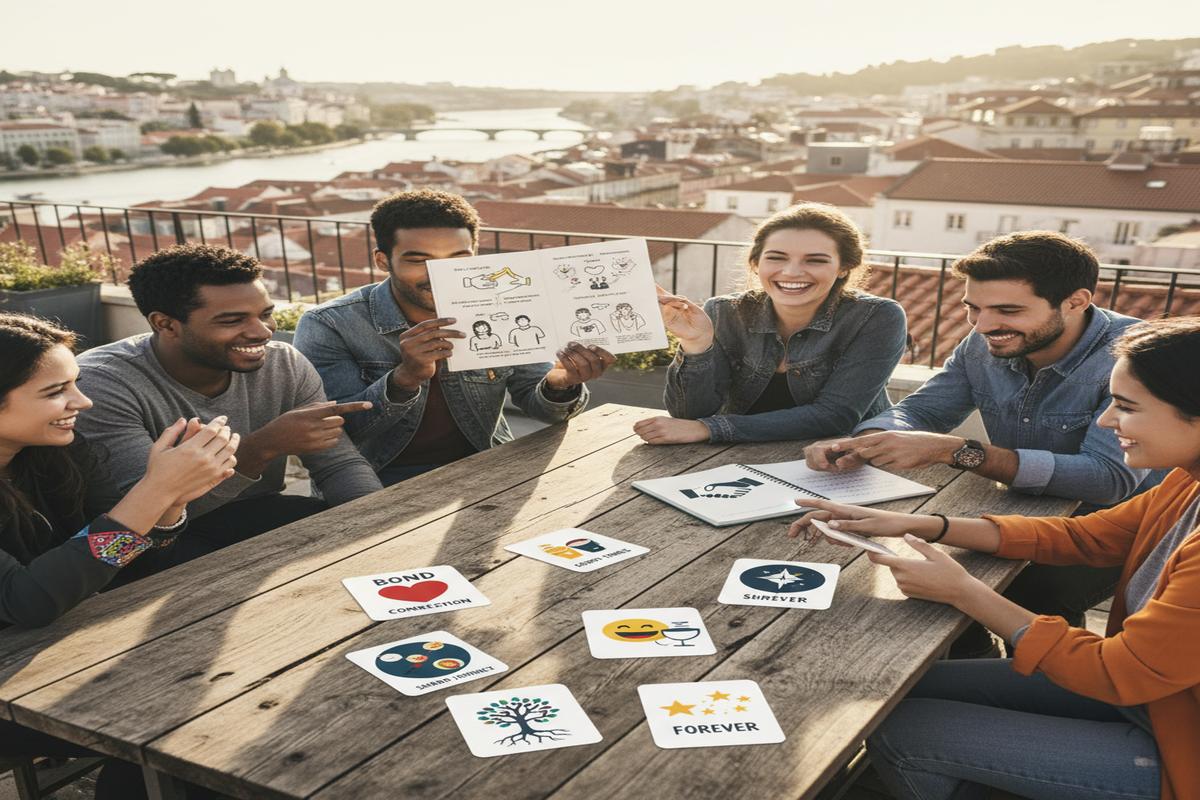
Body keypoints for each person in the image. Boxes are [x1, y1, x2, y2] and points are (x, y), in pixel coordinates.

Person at [789, 316, 1200, 800]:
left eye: (1126, 407)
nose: (1107, 421)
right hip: (1158, 702)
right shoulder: (1186, 479)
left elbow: (1119, 672)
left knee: (903, 732)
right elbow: (1087, 537)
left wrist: (965, 592)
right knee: (900, 688)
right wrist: (922, 523)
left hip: (1178, 747)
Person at [804, 231, 1153, 656]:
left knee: (1035, 592)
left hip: (1121, 525)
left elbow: (1110, 481)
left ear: (1076, 301)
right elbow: (925, 409)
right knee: (927, 576)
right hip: (1016, 512)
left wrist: (956, 451)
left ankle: (1039, 697)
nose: (984, 325)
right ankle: (976, 666)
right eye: (973, 308)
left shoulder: (1134, 358)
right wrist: (870, 439)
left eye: (1007, 309)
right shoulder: (984, 341)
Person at [0, 313, 239, 798]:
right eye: (54, 392)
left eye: (76, 384)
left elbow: (121, 565)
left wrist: (170, 505)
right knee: (192, 718)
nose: (81, 403)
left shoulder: (58, 452)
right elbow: (28, 600)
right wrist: (152, 492)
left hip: (65, 648)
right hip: (14, 691)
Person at [294, 189, 615, 486]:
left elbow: (542, 409)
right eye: (419, 260)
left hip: (484, 468)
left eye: (457, 260)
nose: (440, 274)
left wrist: (560, 384)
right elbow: (336, 439)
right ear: (382, 261)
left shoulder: (499, 308)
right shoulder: (329, 324)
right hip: (380, 480)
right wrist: (404, 380)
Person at [76, 244, 381, 545]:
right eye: (232, 320)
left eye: (266, 314)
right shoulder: (102, 383)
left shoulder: (283, 363)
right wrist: (262, 447)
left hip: (253, 513)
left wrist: (382, 527)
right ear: (166, 324)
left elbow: (339, 465)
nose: (262, 332)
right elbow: (150, 519)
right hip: (144, 546)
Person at [634, 202, 906, 446]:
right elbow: (687, 416)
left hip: (844, 457)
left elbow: (835, 417)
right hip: (736, 457)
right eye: (776, 257)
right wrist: (696, 343)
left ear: (844, 267)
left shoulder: (878, 317)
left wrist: (710, 429)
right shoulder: (723, 311)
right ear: (755, 263)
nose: (791, 272)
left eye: (816, 260)